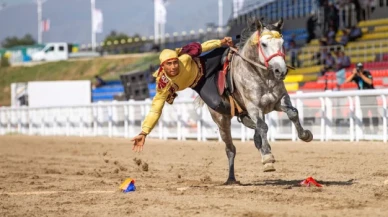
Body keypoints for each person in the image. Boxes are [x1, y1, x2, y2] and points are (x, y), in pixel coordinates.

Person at [131, 37, 254, 152]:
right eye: (169, 64)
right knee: (217, 105)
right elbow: (155, 109)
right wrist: (144, 132)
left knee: (228, 49)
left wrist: (220, 42)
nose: (174, 66)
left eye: (175, 62)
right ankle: (242, 114)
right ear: (163, 66)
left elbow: (202, 47)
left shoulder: (184, 58)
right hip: (200, 84)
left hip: (206, 64)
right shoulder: (164, 85)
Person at [345, 62, 378, 132]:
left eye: (361, 68)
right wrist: (353, 74)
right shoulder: (356, 76)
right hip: (363, 98)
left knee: (374, 113)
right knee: (364, 114)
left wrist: (361, 75)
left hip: (371, 97)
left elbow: (370, 82)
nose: (360, 69)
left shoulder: (367, 73)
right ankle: (367, 130)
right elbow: (346, 81)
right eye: (358, 68)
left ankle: (376, 129)